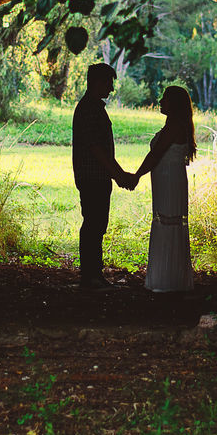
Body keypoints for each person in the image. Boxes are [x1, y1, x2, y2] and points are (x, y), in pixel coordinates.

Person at [72, 63, 138, 289]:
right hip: (93, 177)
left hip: (95, 176)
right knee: (94, 224)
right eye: (108, 83)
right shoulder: (90, 109)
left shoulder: (91, 107)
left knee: (95, 224)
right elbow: (97, 148)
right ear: (97, 82)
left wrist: (116, 174)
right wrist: (118, 175)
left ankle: (92, 274)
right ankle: (91, 276)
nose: (111, 89)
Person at [134, 86, 196, 293]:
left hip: (170, 182)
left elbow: (155, 155)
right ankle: (168, 277)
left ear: (174, 104)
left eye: (165, 99)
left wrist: (135, 176)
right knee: (167, 223)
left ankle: (168, 280)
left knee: (168, 223)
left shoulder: (174, 127)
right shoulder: (174, 125)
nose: (160, 101)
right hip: (167, 180)